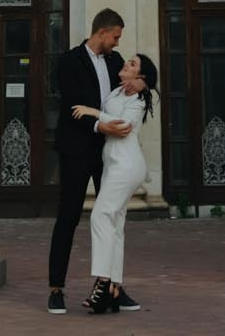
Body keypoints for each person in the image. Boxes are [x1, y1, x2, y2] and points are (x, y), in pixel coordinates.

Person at [48, 9, 131, 314]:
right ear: (102, 32)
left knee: (112, 219)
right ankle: (56, 289)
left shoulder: (115, 62)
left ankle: (112, 287)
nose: (118, 42)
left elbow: (130, 91)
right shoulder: (69, 61)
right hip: (75, 150)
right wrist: (100, 125)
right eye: (116, 36)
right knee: (68, 218)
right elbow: (71, 105)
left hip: (108, 152)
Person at [70, 52, 156, 316]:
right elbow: (112, 116)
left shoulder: (139, 98)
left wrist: (93, 113)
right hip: (113, 164)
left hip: (127, 166)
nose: (125, 64)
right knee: (115, 225)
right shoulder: (119, 92)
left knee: (99, 216)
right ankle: (114, 288)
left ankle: (103, 281)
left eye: (132, 64)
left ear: (140, 76)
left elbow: (124, 126)